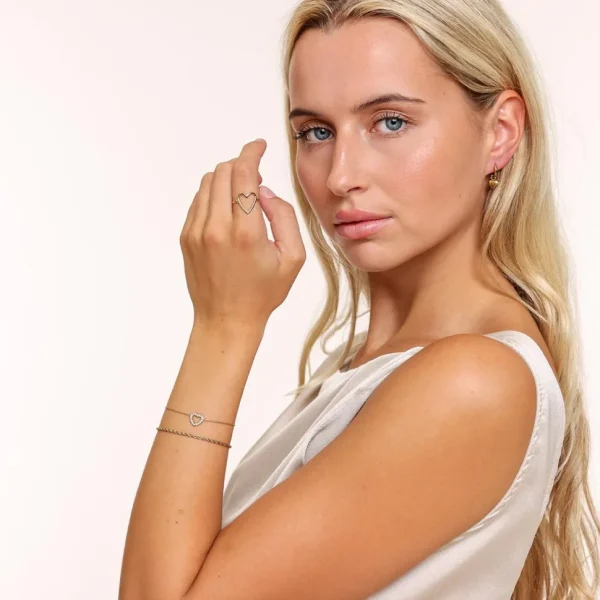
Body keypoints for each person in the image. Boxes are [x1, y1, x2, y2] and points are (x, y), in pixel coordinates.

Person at [119, 1, 600, 599]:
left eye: (390, 122)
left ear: (500, 131)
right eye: (316, 132)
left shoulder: (473, 381)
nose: (340, 175)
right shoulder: (369, 366)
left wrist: (224, 326)